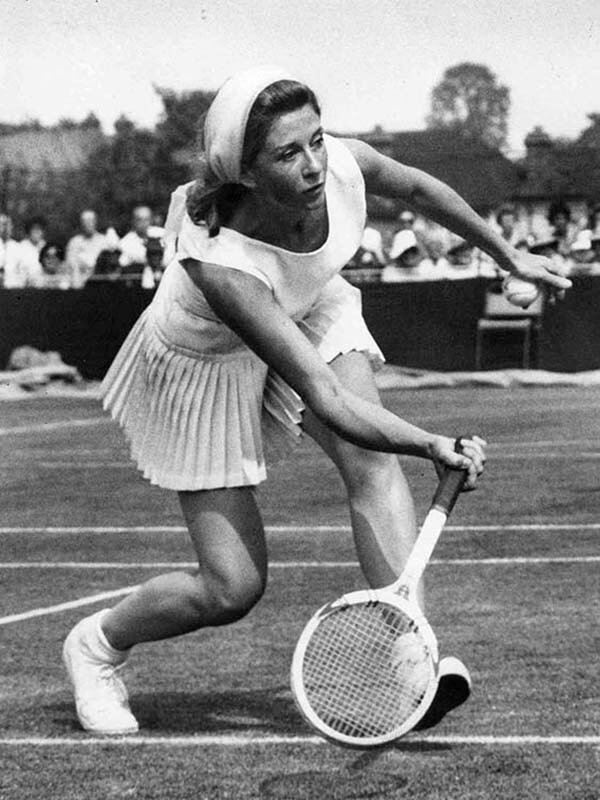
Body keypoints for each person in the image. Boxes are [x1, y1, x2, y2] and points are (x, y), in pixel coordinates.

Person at [62, 66, 570, 736]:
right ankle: (96, 645)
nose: (314, 164)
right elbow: (325, 396)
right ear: (245, 172)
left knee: (371, 463)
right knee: (232, 589)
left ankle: (409, 659)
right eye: (287, 153)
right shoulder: (222, 265)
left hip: (303, 305)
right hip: (201, 362)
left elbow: (418, 188)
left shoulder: (341, 167)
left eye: (317, 140)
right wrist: (429, 443)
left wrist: (509, 256)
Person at [65, 210, 107, 287]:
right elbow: (71, 264)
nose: (88, 224)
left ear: (95, 222)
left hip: (100, 282)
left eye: (90, 220)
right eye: (85, 221)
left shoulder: (104, 241)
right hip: (80, 282)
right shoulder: (74, 242)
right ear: (81, 223)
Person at [118, 206, 153, 270]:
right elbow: (123, 263)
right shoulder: (125, 242)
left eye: (146, 219)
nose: (143, 223)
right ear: (134, 221)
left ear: (151, 220)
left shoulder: (161, 234)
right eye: (140, 220)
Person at [16, 216, 46, 287]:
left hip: (43, 284)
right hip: (24, 284)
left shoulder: (45, 246)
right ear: (29, 232)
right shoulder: (21, 247)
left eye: (39, 229)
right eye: (34, 230)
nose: (37, 232)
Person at [0, 213, 21, 288]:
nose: (5, 228)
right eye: (3, 224)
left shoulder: (18, 247)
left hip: (13, 288)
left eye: (8, 225)